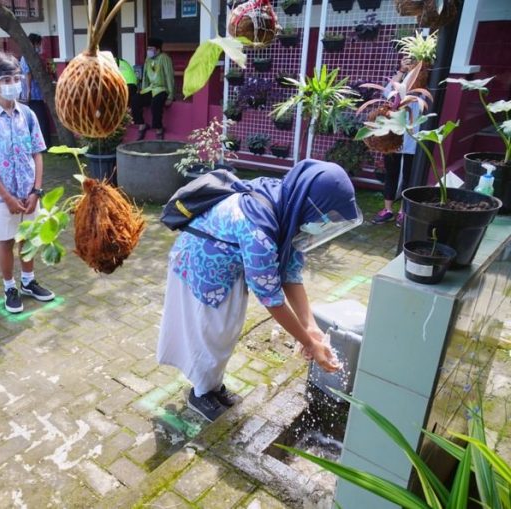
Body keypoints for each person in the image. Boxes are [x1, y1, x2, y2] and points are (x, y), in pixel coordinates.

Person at [157, 160, 362, 422]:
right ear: (312, 203)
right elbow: (271, 297)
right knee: (209, 335)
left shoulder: (289, 205)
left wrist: (309, 326)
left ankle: (212, 386)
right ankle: (201, 394)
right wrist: (309, 342)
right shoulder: (259, 227)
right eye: (326, 217)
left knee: (223, 333)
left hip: (227, 270)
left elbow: (290, 272)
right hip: (203, 270)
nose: (324, 223)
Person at [0, 51, 55, 314]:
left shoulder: (28, 115)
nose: (13, 84)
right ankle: (9, 286)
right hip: (1, 197)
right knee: (6, 241)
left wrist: (37, 191)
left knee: (28, 238)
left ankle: (28, 281)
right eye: (6, 79)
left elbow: (37, 153)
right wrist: (6, 197)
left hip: (29, 194)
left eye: (16, 78)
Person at [371, 57, 420, 227]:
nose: (410, 64)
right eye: (408, 61)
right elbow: (386, 93)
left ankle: (403, 212)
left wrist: (416, 73)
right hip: (393, 136)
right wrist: (401, 71)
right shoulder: (398, 84)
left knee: (408, 176)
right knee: (390, 174)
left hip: (413, 138)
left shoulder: (422, 87)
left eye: (413, 62)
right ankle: (388, 210)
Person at [134, 37, 174, 140]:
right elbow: (145, 77)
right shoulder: (148, 59)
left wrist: (170, 96)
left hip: (162, 89)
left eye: (151, 48)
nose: (149, 51)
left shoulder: (164, 58)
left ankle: (159, 128)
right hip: (151, 88)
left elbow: (169, 76)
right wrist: (143, 90)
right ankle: (142, 124)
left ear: (158, 49)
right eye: (148, 48)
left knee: (155, 103)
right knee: (135, 99)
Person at [19, 33, 51, 148]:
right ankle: (43, 143)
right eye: (38, 43)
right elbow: (28, 75)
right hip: (34, 93)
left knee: (39, 118)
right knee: (40, 118)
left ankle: (43, 143)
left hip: (35, 93)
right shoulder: (30, 56)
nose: (40, 46)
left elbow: (28, 74)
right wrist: (28, 91)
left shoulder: (30, 56)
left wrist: (28, 91)